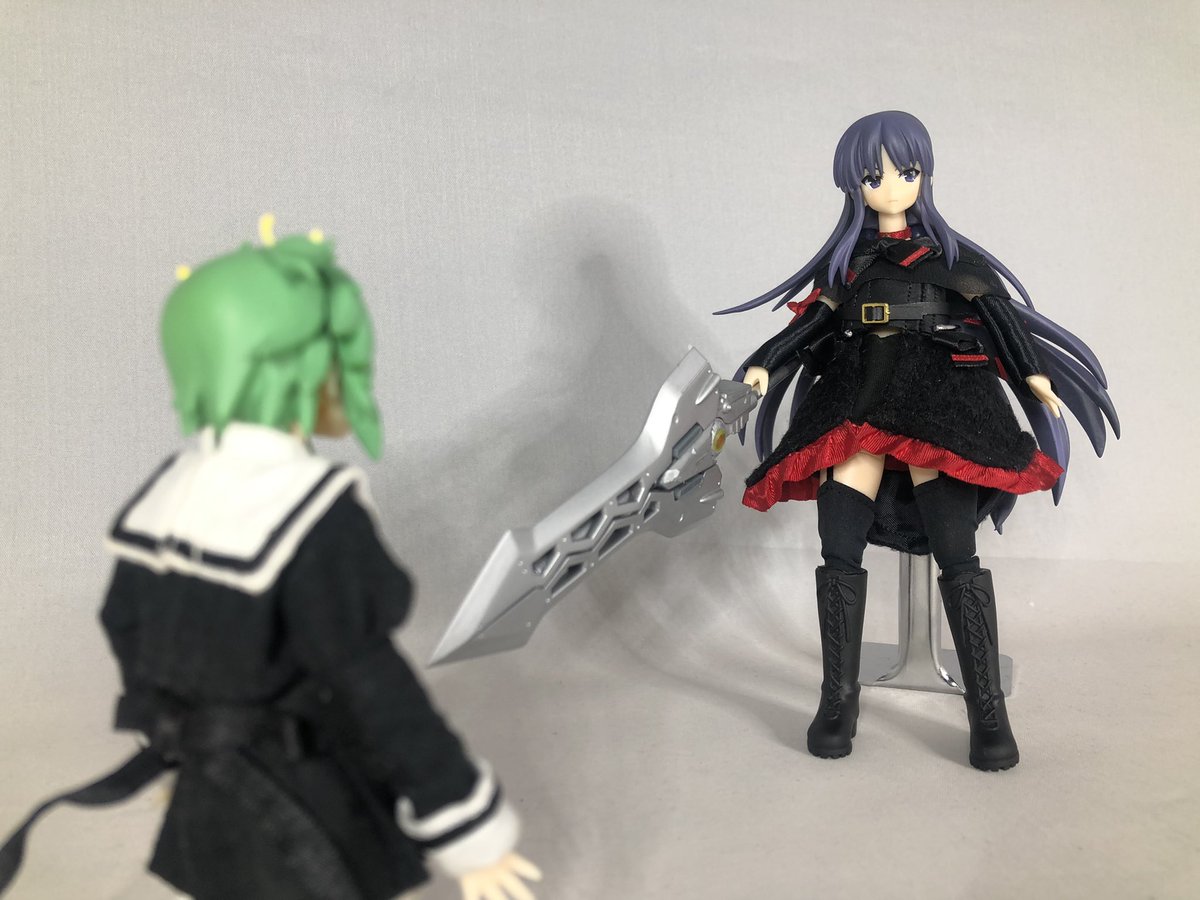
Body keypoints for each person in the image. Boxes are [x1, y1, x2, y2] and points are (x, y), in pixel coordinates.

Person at [0, 218, 541, 900]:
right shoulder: (314, 515)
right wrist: (467, 827)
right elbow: (376, 687)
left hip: (210, 788)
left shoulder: (166, 496)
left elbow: (126, 629)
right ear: (304, 368)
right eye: (340, 355)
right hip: (301, 797)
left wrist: (179, 744)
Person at [717, 112, 1117, 772]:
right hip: (859, 394)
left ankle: (987, 708)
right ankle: (838, 699)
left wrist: (1033, 374)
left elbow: (999, 318)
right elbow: (809, 327)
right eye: (874, 176)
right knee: (838, 535)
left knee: (956, 546)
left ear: (924, 175)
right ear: (853, 186)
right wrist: (763, 366)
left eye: (906, 171)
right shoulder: (849, 266)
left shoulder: (951, 261)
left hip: (939, 399)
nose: (892, 186)